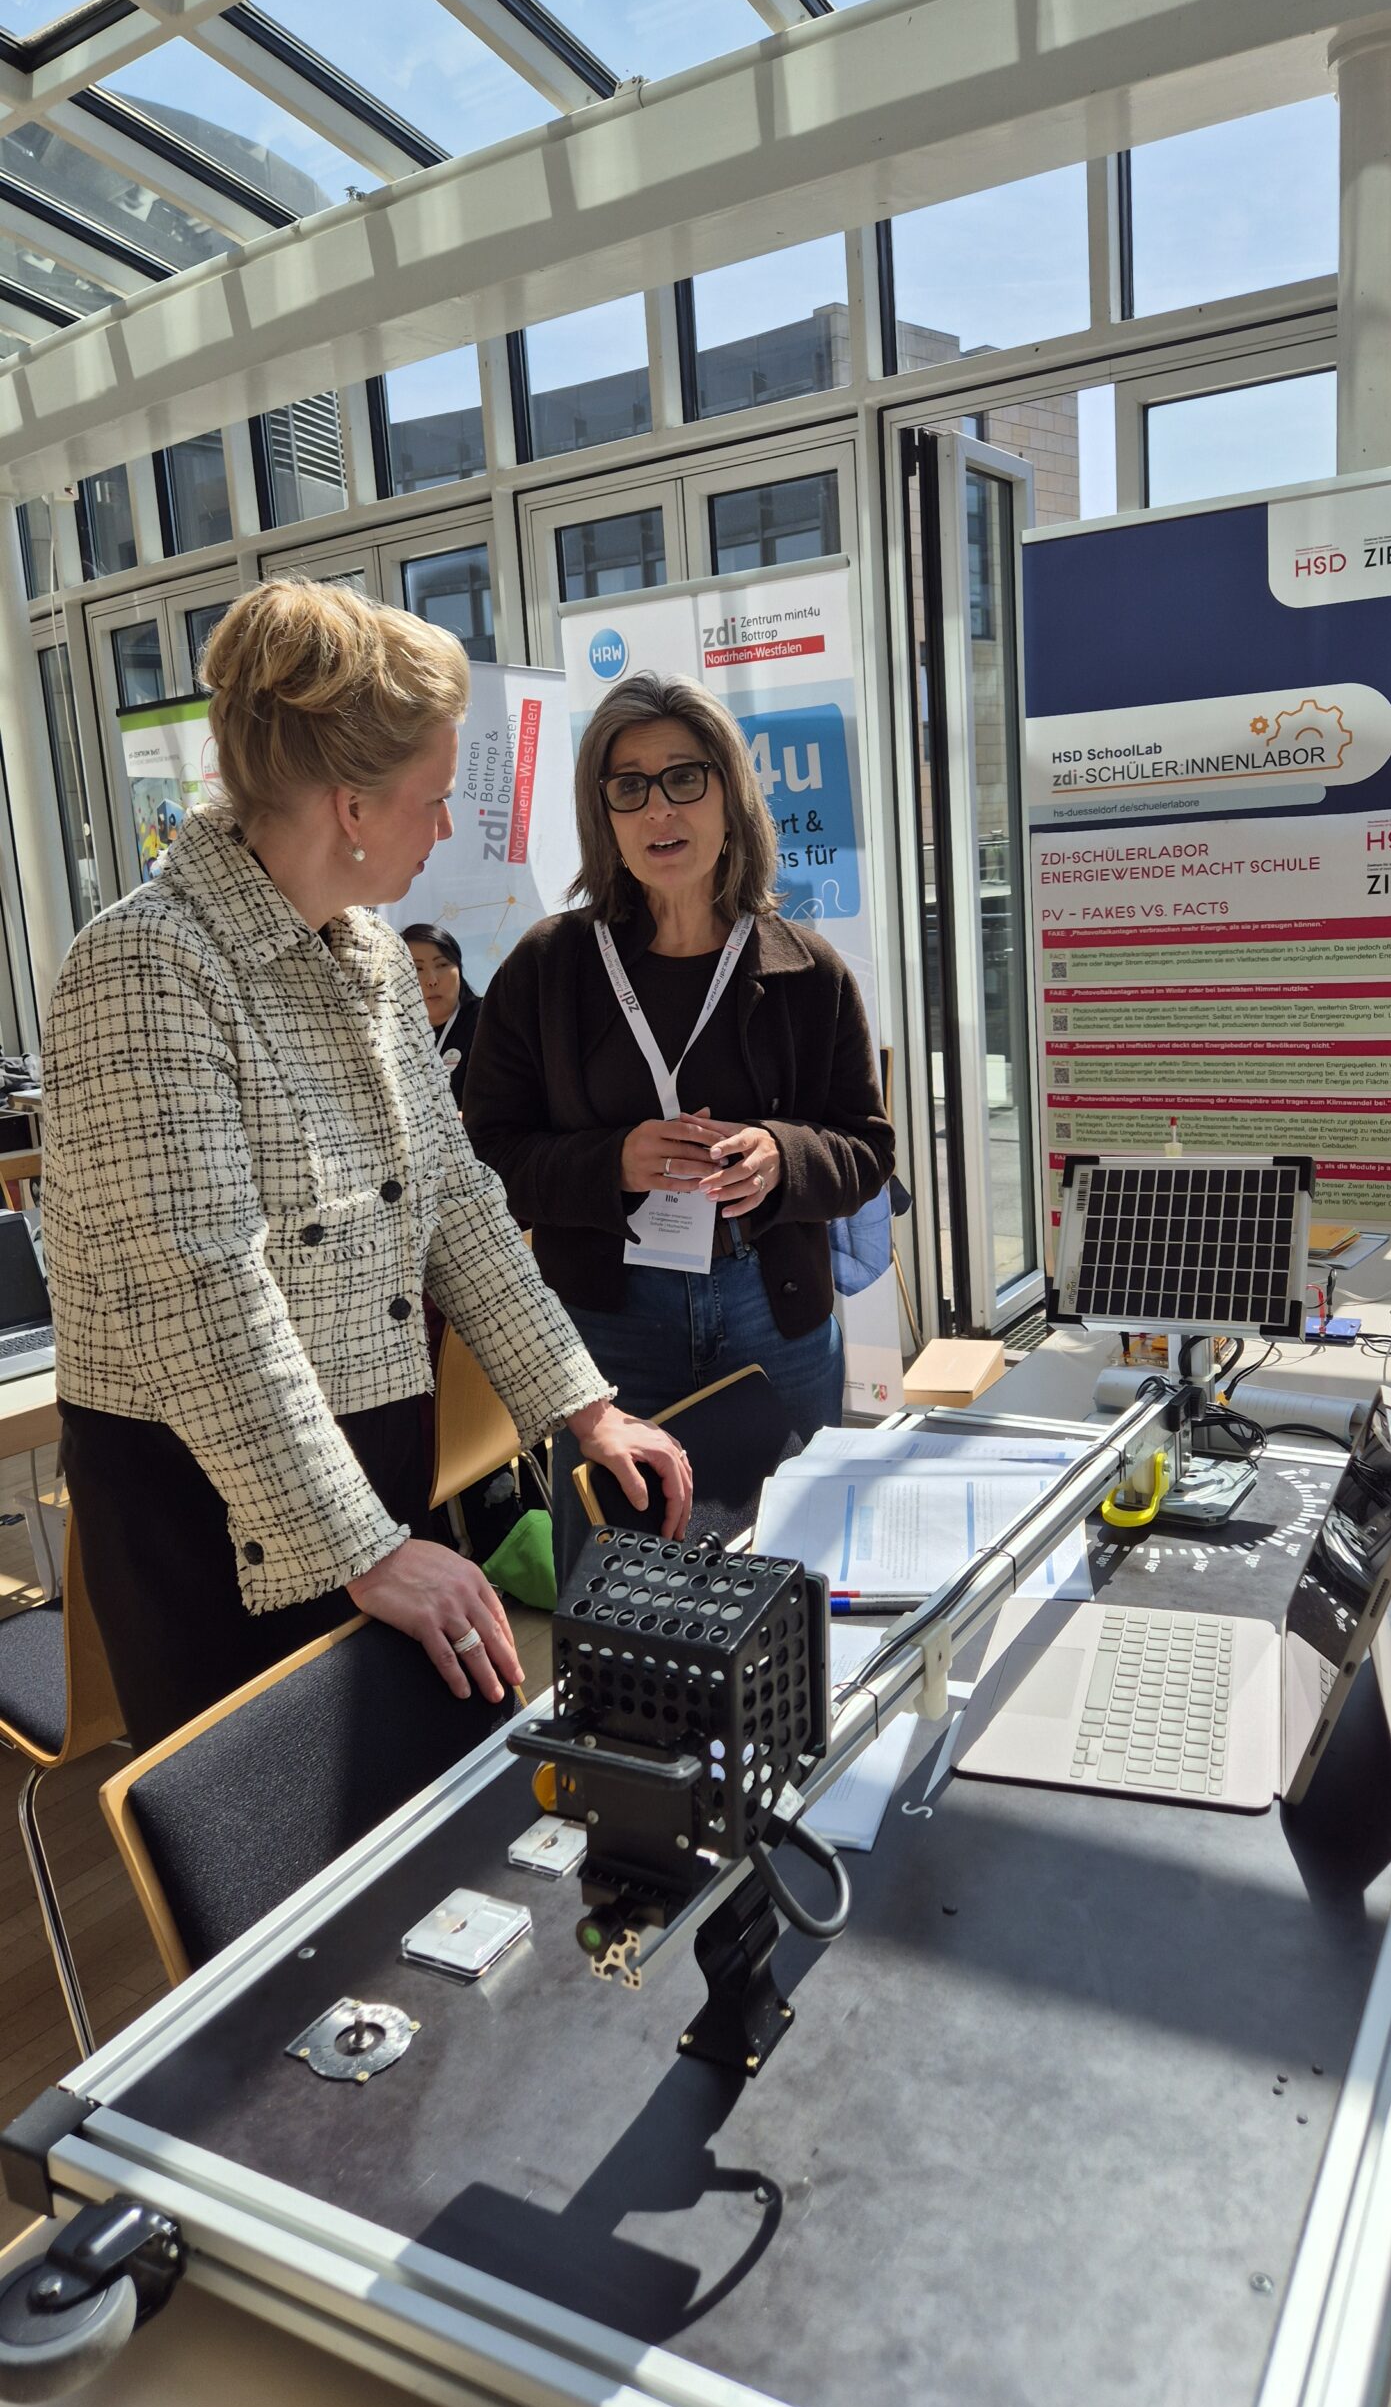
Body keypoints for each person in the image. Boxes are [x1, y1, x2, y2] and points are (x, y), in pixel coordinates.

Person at [41, 581, 689, 1750]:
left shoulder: (371, 952)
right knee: (269, 1891)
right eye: (433, 800)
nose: (445, 828)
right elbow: (205, 1306)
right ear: (349, 804)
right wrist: (368, 1549)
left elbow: (457, 1204)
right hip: (218, 1502)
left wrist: (584, 1407)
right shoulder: (146, 965)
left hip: (367, 1459)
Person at [464, 668, 895, 1582]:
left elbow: (866, 1149)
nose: (659, 809)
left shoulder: (807, 971)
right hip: (607, 1322)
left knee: (784, 1568)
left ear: (730, 796)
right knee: (619, 1585)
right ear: (605, 815)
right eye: (629, 787)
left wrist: (783, 1156)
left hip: (769, 1309)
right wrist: (609, 1161)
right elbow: (482, 1158)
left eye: (683, 777)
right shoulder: (550, 969)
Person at [402, 922, 479, 1107]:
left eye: (442, 964)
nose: (432, 980)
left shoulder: (488, 1021)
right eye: (417, 968)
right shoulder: (391, 1035)